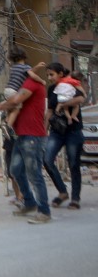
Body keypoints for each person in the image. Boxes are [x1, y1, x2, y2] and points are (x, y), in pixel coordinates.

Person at [0, 64, 52, 224]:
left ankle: (44, 211)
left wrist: (0, 106)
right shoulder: (26, 85)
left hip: (33, 136)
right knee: (16, 170)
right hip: (22, 135)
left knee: (34, 174)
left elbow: (16, 100)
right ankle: (30, 202)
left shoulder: (32, 84)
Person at [42, 62, 85, 210]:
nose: (49, 78)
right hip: (57, 131)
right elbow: (49, 111)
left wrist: (63, 104)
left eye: (51, 74)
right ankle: (62, 192)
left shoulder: (70, 83)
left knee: (73, 164)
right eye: (48, 75)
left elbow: (81, 99)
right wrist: (44, 130)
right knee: (47, 160)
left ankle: (75, 198)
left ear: (60, 74)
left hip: (73, 130)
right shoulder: (52, 89)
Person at [2, 49, 46, 133]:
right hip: (14, 91)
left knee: (11, 109)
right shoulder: (25, 67)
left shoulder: (14, 67)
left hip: (7, 90)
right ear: (24, 57)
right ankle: (8, 126)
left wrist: (37, 67)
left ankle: (5, 122)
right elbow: (32, 75)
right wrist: (41, 81)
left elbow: (29, 72)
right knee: (17, 109)